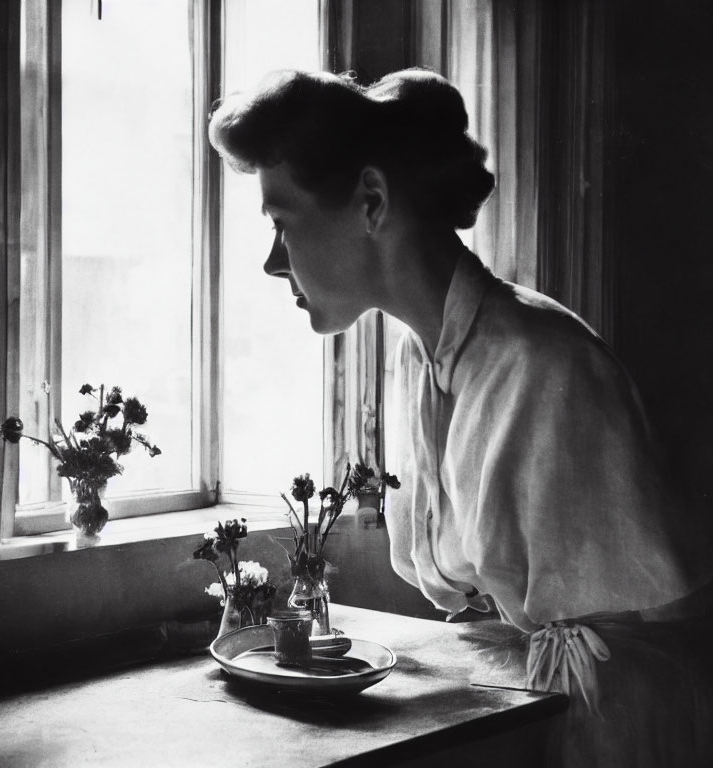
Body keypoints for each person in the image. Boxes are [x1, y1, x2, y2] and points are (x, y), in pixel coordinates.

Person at [209, 68, 713, 766]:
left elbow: (652, 614)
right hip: (524, 699)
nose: (272, 263)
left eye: (281, 222)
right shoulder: (415, 362)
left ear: (373, 202)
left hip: (609, 722)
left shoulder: (544, 361)